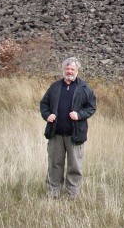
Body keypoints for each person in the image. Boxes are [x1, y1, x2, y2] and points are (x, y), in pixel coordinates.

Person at [39, 57, 97, 199]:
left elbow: (91, 107)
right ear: (63, 69)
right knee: (55, 165)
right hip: (55, 134)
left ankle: (72, 194)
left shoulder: (84, 88)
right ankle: (53, 192)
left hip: (75, 135)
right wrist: (47, 116)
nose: (69, 71)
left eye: (72, 69)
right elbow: (44, 104)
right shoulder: (55, 87)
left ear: (77, 71)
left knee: (74, 166)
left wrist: (79, 114)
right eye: (67, 68)